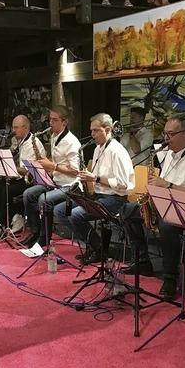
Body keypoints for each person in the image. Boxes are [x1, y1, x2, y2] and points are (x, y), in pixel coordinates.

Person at [122, 112, 185, 300]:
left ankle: (170, 278)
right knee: (128, 210)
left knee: (167, 225)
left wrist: (167, 185)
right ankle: (143, 261)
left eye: (170, 134)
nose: (165, 138)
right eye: (165, 133)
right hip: (169, 203)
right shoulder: (170, 154)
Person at [53, 113, 134, 265]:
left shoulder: (117, 151)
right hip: (98, 195)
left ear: (108, 129)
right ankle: (92, 243)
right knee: (61, 210)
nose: (92, 134)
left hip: (115, 199)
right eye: (91, 130)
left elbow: (122, 184)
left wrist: (95, 178)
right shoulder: (98, 149)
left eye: (96, 130)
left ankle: (99, 249)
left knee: (76, 215)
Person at [19, 105, 81, 248]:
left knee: (44, 199)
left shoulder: (71, 142)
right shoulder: (54, 137)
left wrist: (52, 166)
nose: (51, 123)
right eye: (50, 120)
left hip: (70, 185)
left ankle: (44, 237)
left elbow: (75, 171)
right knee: (28, 194)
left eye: (55, 120)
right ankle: (35, 231)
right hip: (55, 181)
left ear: (64, 122)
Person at [0, 114, 45, 239]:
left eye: (16, 127)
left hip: (32, 180)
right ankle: (15, 215)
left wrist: (10, 166)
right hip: (20, 178)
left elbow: (29, 172)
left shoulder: (33, 144)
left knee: (6, 191)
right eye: (13, 127)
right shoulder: (20, 141)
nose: (13, 130)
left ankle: (1, 225)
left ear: (25, 127)